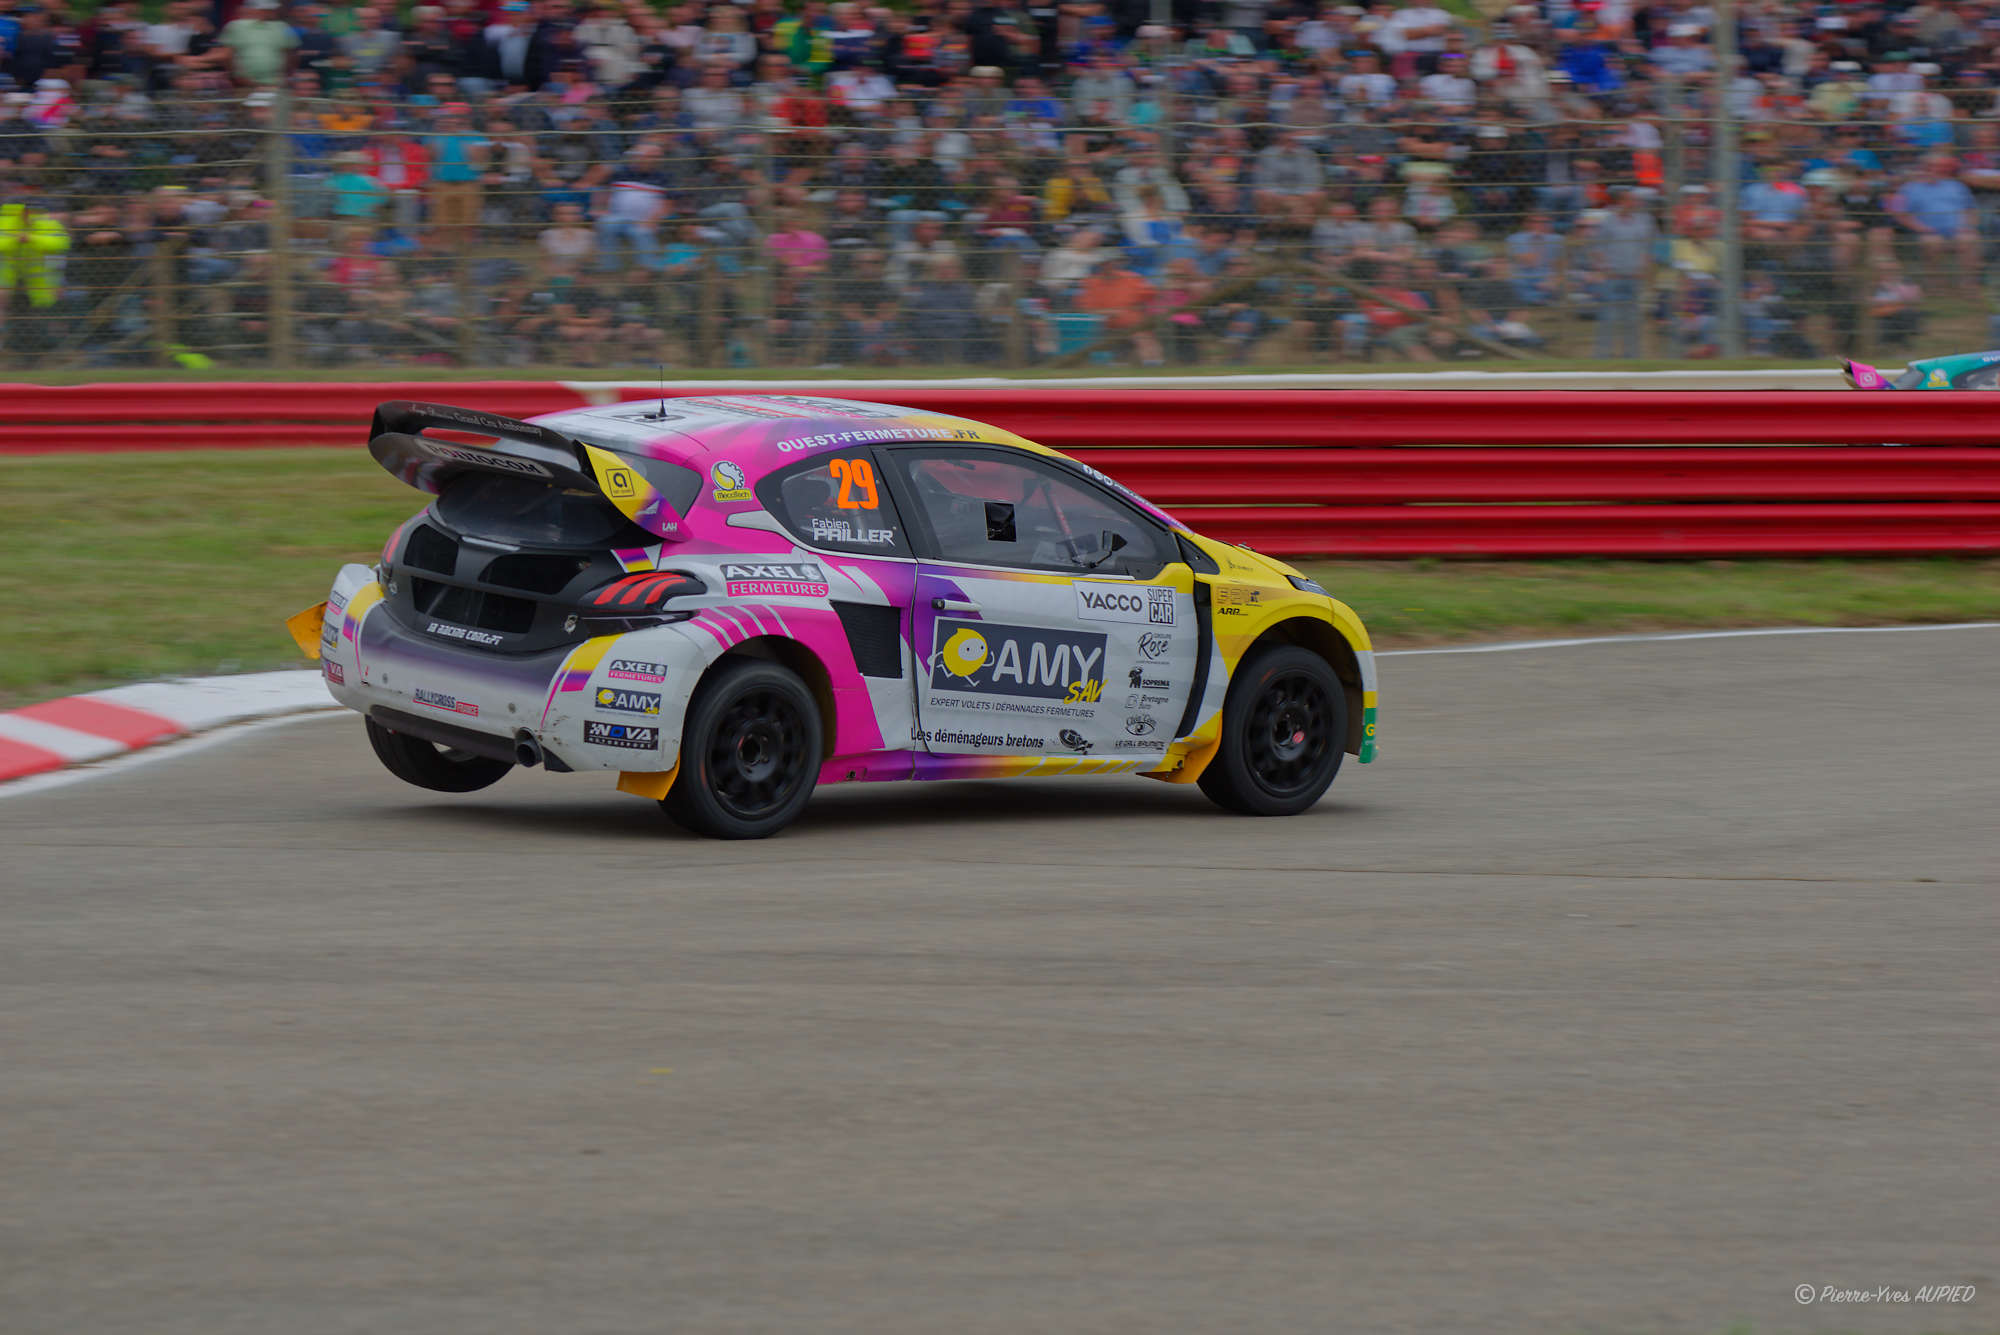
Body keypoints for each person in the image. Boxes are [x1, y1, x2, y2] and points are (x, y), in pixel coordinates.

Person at [1591, 187, 1656, 359]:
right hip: (1613, 277)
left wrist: (1645, 268)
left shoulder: (1644, 221)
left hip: (1635, 277)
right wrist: (1603, 268)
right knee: (1608, 319)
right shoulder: (1608, 221)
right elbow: (1598, 247)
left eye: (1634, 200)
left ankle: (1632, 356)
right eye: (1630, 200)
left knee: (1633, 320)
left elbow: (1648, 247)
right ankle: (1602, 356)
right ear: (1620, 202)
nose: (1634, 203)